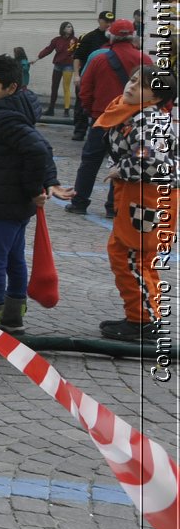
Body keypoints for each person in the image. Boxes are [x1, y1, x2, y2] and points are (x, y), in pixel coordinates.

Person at [80, 65, 174, 342]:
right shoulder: (131, 111)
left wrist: (121, 170)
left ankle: (143, 321)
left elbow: (153, 162)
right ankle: (142, 316)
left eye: (141, 86)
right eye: (133, 80)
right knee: (132, 254)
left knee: (130, 255)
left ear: (155, 97)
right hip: (138, 194)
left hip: (148, 196)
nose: (131, 87)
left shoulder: (149, 121)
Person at [0, 54, 65, 334]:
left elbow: (37, 150)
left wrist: (33, 189)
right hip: (16, 203)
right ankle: (14, 316)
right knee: (14, 259)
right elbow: (41, 147)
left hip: (7, 201)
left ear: (11, 88)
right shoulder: (18, 110)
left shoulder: (5, 117)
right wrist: (43, 185)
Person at [68, 19, 151, 218]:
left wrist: (92, 112)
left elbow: (85, 91)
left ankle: (79, 202)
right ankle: (113, 207)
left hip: (102, 119)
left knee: (90, 162)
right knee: (122, 162)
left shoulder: (99, 59)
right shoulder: (145, 61)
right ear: (133, 37)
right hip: (132, 122)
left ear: (110, 36)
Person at [72, 11, 116, 139]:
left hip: (105, 79)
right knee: (82, 104)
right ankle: (80, 130)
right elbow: (77, 57)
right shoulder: (89, 37)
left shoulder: (115, 38)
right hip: (87, 76)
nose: (108, 24)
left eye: (111, 22)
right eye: (105, 21)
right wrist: (76, 75)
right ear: (99, 21)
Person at [37, 21, 78, 115]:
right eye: (68, 27)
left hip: (68, 65)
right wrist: (38, 57)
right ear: (63, 29)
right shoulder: (57, 40)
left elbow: (78, 52)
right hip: (58, 65)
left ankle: (66, 110)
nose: (70, 28)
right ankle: (51, 109)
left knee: (66, 87)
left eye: (71, 27)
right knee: (54, 87)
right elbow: (48, 49)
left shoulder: (75, 40)